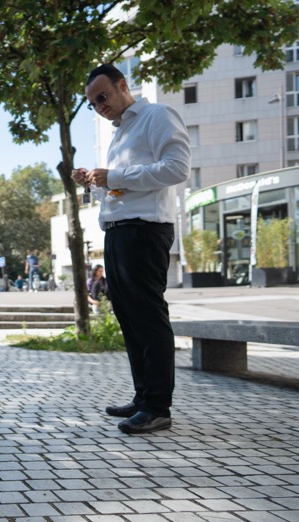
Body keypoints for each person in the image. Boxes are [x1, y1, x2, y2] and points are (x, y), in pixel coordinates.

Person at [72, 63, 190, 434]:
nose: (99, 107)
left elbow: (177, 168)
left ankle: (158, 406)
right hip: (120, 231)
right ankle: (143, 399)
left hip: (146, 230)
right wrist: (96, 181)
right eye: (92, 103)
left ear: (123, 85)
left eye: (102, 97)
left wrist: (115, 176)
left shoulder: (157, 115)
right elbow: (124, 184)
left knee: (148, 317)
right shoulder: (121, 132)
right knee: (129, 318)